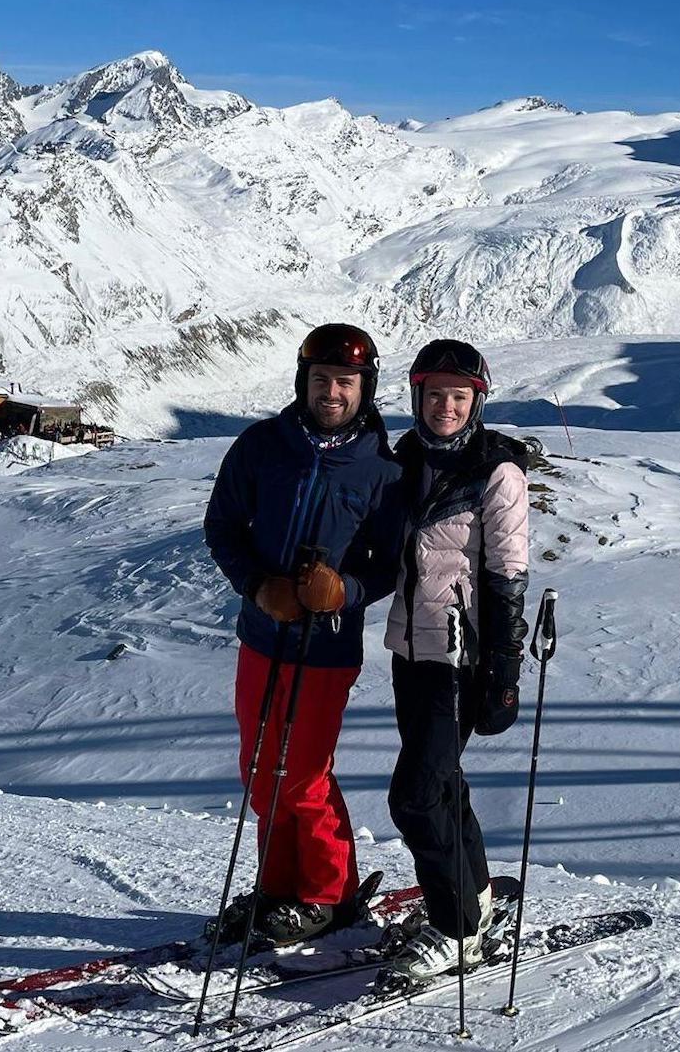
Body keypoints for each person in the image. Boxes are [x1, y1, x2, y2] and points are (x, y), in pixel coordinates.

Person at [204, 324, 404, 946]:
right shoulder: (263, 446)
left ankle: (327, 893)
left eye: (345, 382)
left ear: (365, 389)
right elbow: (223, 526)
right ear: (303, 382)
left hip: (328, 647)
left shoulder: (380, 470)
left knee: (303, 774)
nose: (332, 392)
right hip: (263, 635)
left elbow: (390, 563)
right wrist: (258, 586)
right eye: (321, 380)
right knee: (261, 769)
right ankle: (279, 886)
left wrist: (342, 590)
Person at [383, 338, 529, 979]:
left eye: (459, 395)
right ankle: (476, 899)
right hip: (410, 649)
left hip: (461, 656)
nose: (446, 406)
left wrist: (502, 665)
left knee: (415, 796)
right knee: (442, 782)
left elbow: (507, 574)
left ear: (477, 402)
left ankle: (455, 927)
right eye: (435, 393)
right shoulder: (406, 459)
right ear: (417, 396)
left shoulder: (496, 472)